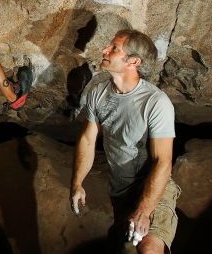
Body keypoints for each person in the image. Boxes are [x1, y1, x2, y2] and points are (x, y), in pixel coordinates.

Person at [70, 29, 180, 253]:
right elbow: (88, 140)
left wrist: (146, 210)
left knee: (149, 249)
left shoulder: (155, 102)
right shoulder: (98, 93)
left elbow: (162, 161)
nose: (105, 50)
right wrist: (77, 183)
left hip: (152, 187)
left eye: (114, 48)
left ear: (134, 61)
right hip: (121, 192)